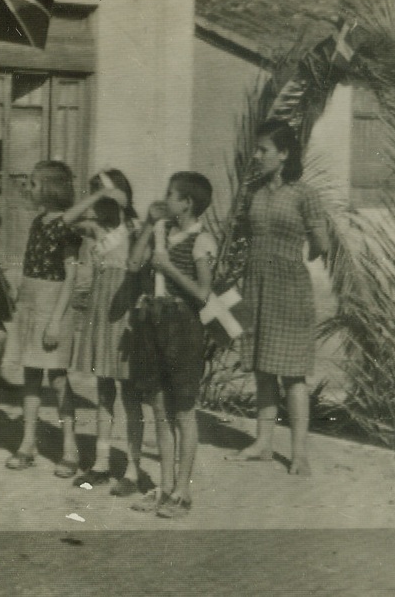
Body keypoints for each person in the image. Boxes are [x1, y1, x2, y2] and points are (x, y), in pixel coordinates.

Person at [225, 120, 329, 476]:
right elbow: (240, 232)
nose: (256, 156)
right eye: (256, 149)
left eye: (263, 150)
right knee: (262, 370)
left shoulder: (304, 194)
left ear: (283, 154)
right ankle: (263, 443)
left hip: (289, 291)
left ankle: (298, 453)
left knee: (293, 376)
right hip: (256, 288)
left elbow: (322, 244)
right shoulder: (253, 193)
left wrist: (293, 253)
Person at [127, 172, 216, 519]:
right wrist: (150, 226)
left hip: (182, 326)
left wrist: (169, 269)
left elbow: (203, 293)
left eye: (171, 195)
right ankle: (163, 487)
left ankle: (182, 491)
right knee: (160, 410)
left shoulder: (201, 240)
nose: (165, 199)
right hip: (153, 324)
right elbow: (134, 263)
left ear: (187, 203)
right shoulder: (161, 234)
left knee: (183, 411)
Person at [64, 169, 149, 496]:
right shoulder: (95, 228)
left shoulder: (136, 229)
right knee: (102, 389)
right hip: (100, 311)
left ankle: (133, 468)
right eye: (94, 192)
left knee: (129, 394)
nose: (101, 201)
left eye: (105, 193)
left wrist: (119, 198)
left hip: (125, 311)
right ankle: (101, 463)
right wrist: (98, 195)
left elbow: (142, 274)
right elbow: (67, 220)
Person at [3, 161, 82, 478]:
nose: (29, 189)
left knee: (58, 379)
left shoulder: (67, 226)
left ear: (51, 188)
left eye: (34, 184)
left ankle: (70, 447)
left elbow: (71, 276)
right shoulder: (38, 223)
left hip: (54, 307)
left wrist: (54, 321)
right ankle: (28, 442)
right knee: (31, 376)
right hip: (33, 303)